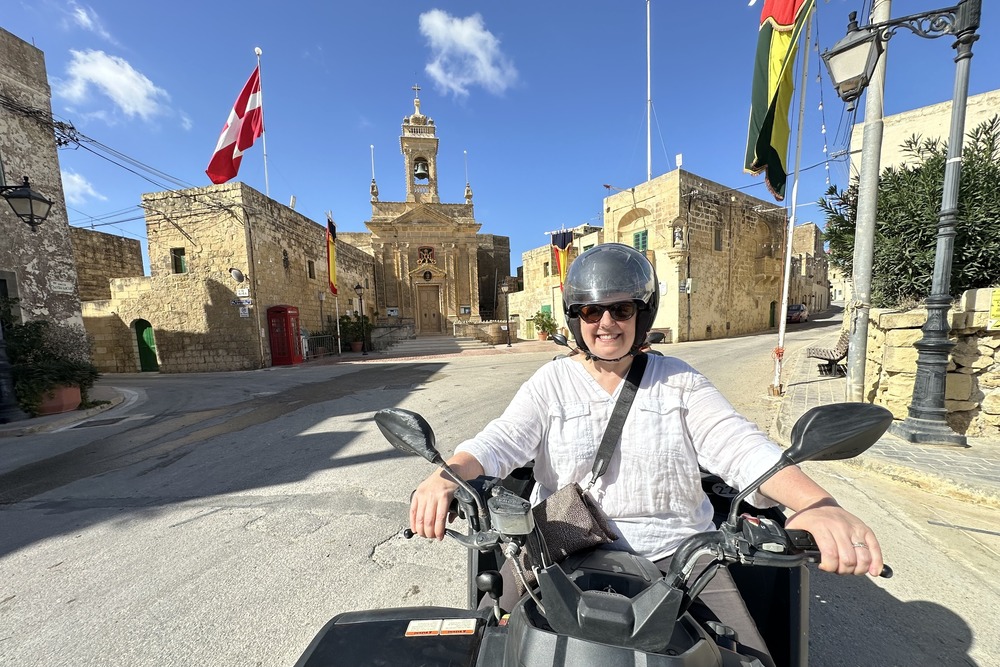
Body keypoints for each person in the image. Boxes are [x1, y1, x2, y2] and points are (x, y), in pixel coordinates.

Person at [409, 243, 882, 660]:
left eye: (621, 310)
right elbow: (500, 439)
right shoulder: (552, 382)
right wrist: (446, 477)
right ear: (576, 319)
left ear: (643, 315)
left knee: (750, 659)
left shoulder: (679, 381)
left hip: (679, 559)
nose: (607, 323)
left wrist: (818, 505)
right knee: (493, 647)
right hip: (563, 552)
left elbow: (740, 446)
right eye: (592, 312)